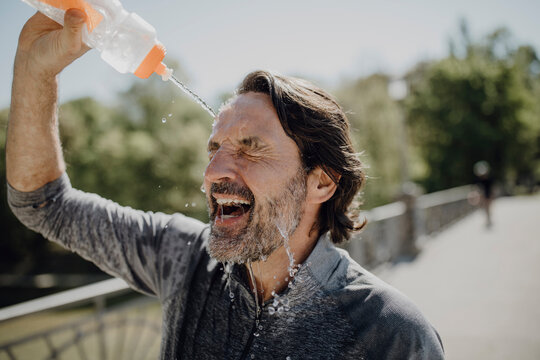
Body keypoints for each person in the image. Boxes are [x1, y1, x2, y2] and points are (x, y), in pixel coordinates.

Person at [7, 9, 445, 359]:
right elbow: (43, 203)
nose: (215, 170)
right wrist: (35, 65)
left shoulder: (392, 336)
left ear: (323, 182)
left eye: (251, 148)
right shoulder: (183, 260)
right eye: (214, 147)